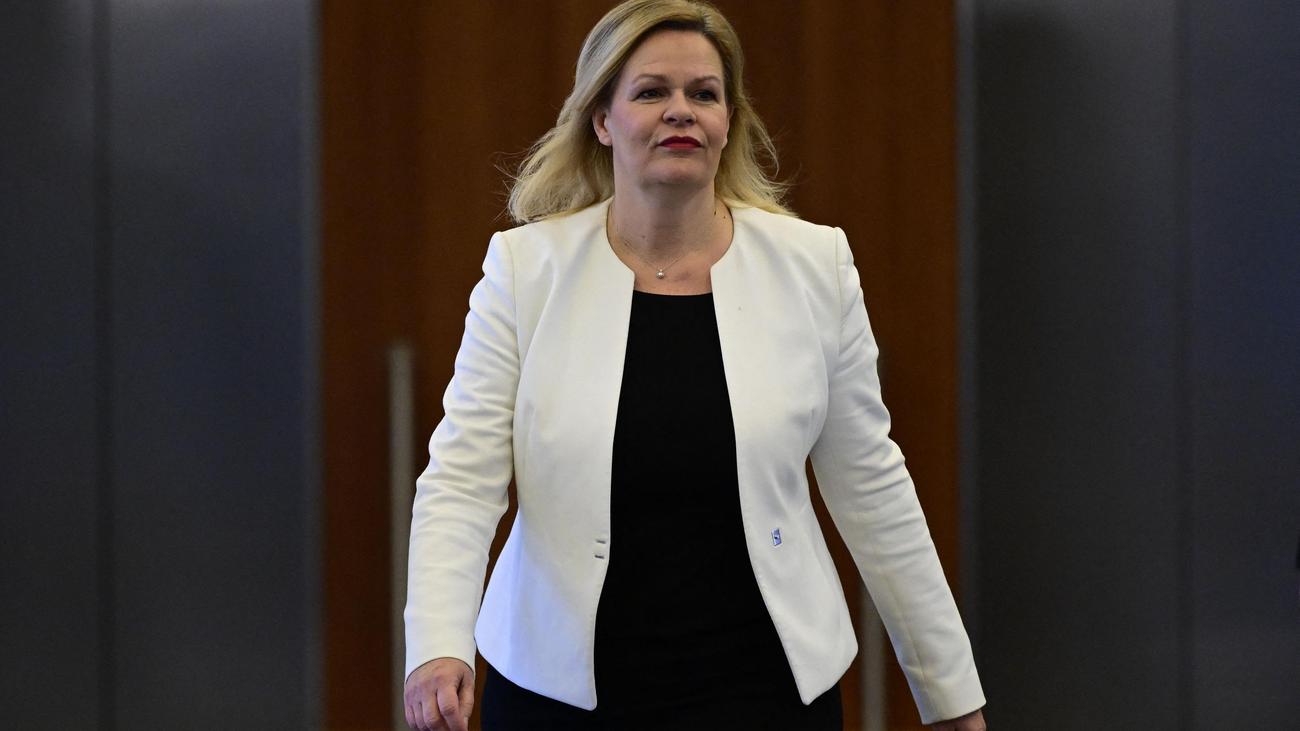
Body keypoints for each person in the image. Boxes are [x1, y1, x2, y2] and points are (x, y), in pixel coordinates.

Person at [402, 1, 987, 729]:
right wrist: (437, 645)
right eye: (652, 92)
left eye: (703, 93)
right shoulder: (526, 270)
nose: (680, 110)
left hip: (766, 690)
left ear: (727, 121)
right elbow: (462, 478)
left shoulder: (815, 265)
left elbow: (873, 486)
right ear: (602, 120)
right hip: (561, 691)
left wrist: (950, 695)